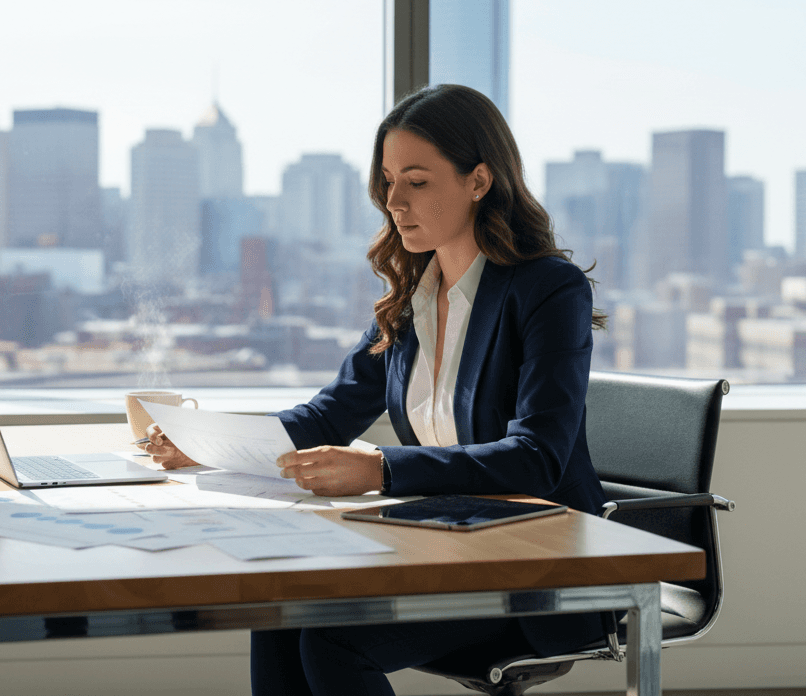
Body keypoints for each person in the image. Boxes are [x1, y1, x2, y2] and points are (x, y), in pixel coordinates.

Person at [144, 83, 610, 696]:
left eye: (416, 181)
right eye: (388, 181)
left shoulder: (547, 290)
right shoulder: (413, 295)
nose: (393, 200)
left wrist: (381, 471)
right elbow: (327, 417)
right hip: (444, 548)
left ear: (478, 181)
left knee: (331, 638)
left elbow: (538, 459)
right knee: (279, 609)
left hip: (538, 569)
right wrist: (209, 443)